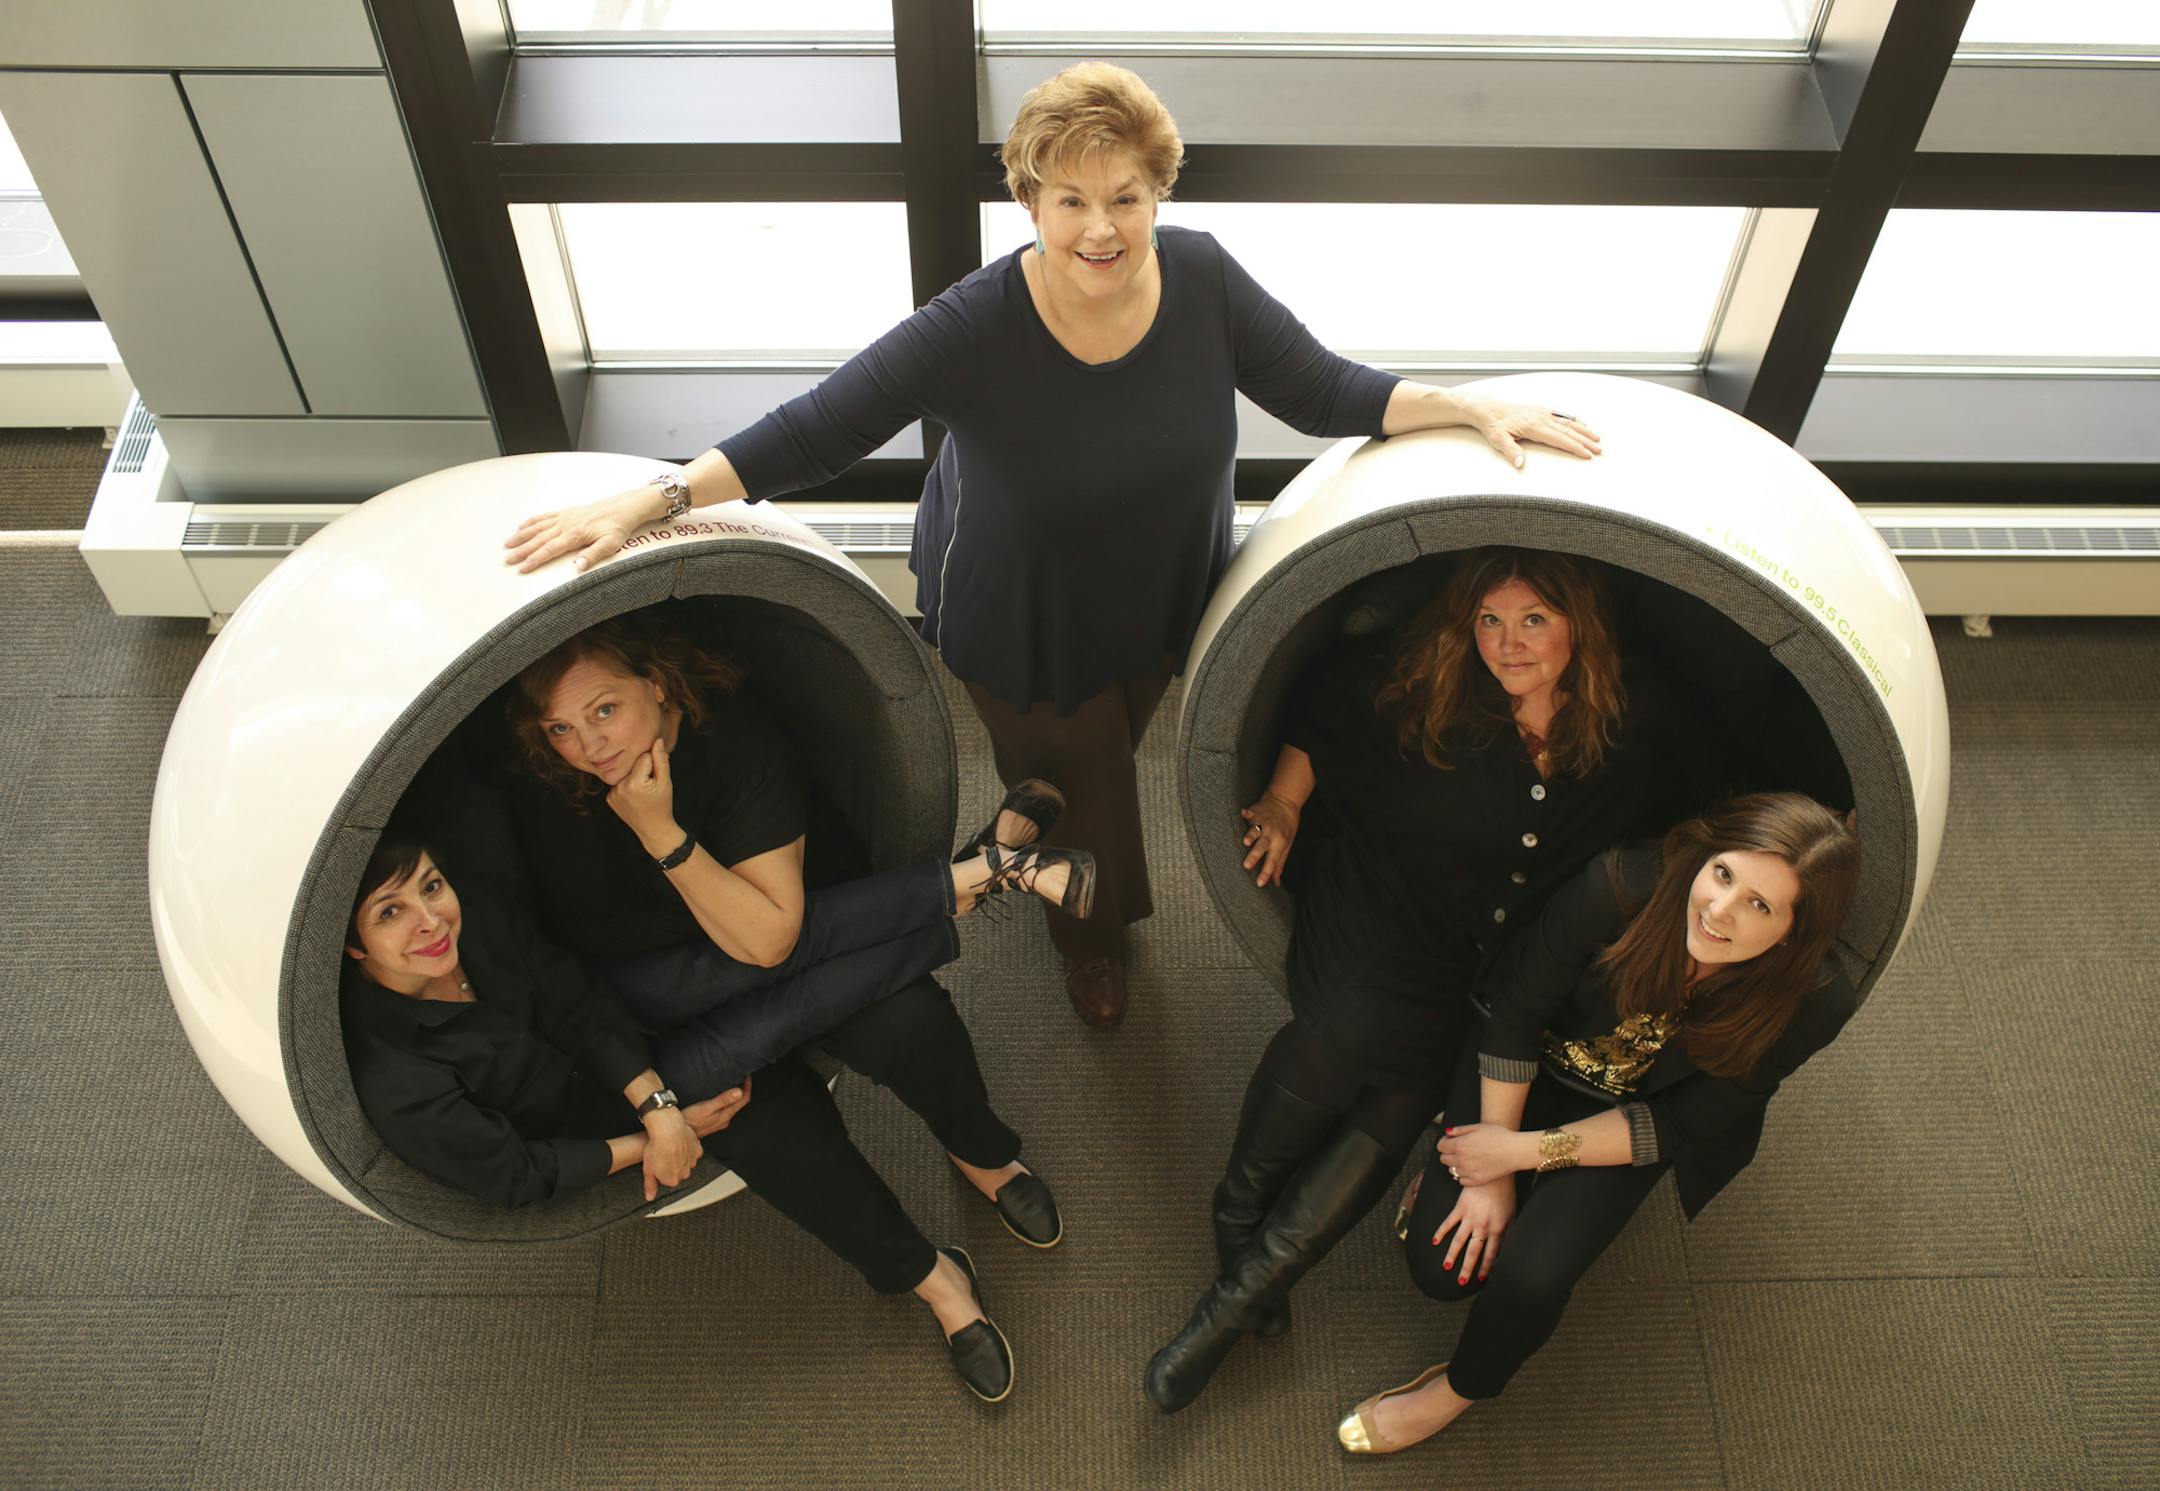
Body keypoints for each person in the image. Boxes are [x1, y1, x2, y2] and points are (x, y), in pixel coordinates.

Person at [502, 61, 1601, 1028]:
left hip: (1159, 597)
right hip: (1021, 613)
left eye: (1126, 197)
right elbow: (823, 426)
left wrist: (1461, 407)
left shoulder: (1205, 278)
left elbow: (1322, 389)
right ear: (1028, 199)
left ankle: (1026, 819)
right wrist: (654, 499)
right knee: (1093, 790)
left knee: (1102, 760)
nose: (1100, 229)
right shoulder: (979, 321)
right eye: (1070, 199)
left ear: (1159, 192)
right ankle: (1090, 933)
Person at [1144, 546, 1673, 1413]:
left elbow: (1719, 780)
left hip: (1482, 957)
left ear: (1580, 624)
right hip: (1384, 896)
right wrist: (1282, 801)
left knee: (1406, 1090)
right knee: (1343, 1037)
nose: (1508, 644)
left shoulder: (1630, 720)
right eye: (1491, 621)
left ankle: (1228, 1305)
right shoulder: (1429, 682)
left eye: (1534, 620)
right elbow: (1323, 708)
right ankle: (1236, 1219)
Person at [492, 616, 1072, 1335]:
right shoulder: (551, 785)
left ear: (655, 682)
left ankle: (981, 1153)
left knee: (909, 1023)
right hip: (687, 1002)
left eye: (604, 709)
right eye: (561, 729)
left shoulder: (736, 739)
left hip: (776, 940)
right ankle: (930, 1276)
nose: (589, 745)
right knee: (763, 1128)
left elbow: (767, 940)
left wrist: (659, 833)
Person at [340, 822, 1023, 1401]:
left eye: (431, 886)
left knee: (769, 979)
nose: (430, 920)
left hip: (624, 1038)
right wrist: (659, 1133)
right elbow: (517, 1172)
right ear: (355, 944)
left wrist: (657, 1099)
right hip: (601, 1122)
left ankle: (943, 926)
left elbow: (569, 999)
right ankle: (933, 1278)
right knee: (776, 1126)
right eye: (390, 912)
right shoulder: (398, 1078)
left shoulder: (476, 918)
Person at [1337, 793, 1860, 1455]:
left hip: (1629, 1120)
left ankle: (1459, 1388)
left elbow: (1682, 1119)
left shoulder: (1811, 1003)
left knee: (1531, 1277)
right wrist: (1490, 1171)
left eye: (1759, 904)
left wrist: (1516, 1154)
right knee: (1443, 1271)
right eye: (1724, 873)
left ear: (1793, 931)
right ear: (1705, 854)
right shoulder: (1620, 886)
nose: (1719, 910)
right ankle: (1458, 1160)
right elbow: (1516, 1009)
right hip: (1527, 1061)